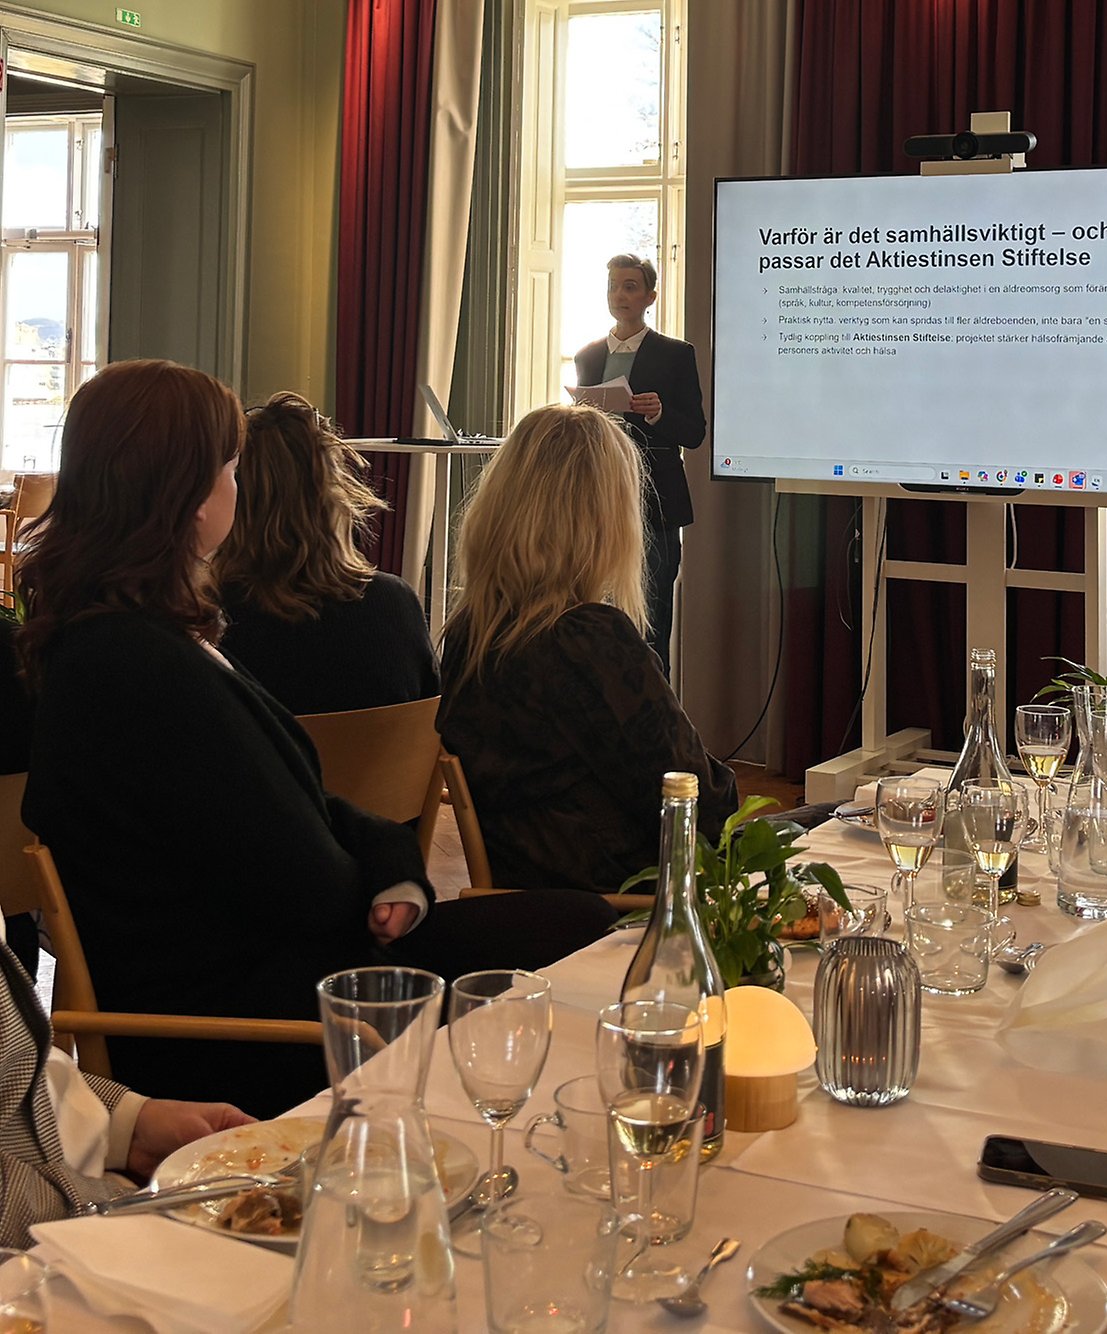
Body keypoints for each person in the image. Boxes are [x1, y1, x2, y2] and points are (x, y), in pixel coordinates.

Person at [17, 361, 614, 1116]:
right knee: (580, 946)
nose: (237, 487)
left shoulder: (142, 638)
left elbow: (304, 808)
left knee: (583, 928)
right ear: (188, 498)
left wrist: (394, 868)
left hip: (293, 969)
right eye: (229, 470)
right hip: (249, 1029)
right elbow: (307, 881)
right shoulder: (136, 666)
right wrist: (383, 871)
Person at [438, 404, 738, 893]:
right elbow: (702, 809)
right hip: (627, 905)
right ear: (605, 519)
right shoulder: (588, 641)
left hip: (534, 901)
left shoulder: (469, 634)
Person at [0, 941, 253, 1247]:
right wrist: (128, 1203)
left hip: (82, 1190)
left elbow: (16, 1063)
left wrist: (126, 1125)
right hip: (50, 1238)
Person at [213, 392, 439, 716]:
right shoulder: (396, 603)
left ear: (238, 500)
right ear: (337, 496)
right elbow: (432, 719)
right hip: (374, 753)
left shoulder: (213, 621)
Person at [572, 254, 706, 664]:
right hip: (598, 499)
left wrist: (659, 414)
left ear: (650, 297)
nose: (619, 295)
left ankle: (652, 701)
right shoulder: (588, 356)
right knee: (594, 617)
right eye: (613, 286)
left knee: (651, 622)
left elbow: (695, 433)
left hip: (655, 502)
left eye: (630, 287)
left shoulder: (675, 354)